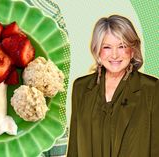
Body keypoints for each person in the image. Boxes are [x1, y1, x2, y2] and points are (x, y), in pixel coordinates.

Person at [67, 15, 159, 157]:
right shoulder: (81, 87)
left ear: (132, 50)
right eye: (107, 47)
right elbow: (74, 148)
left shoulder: (152, 89)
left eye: (122, 46)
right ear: (98, 51)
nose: (114, 55)